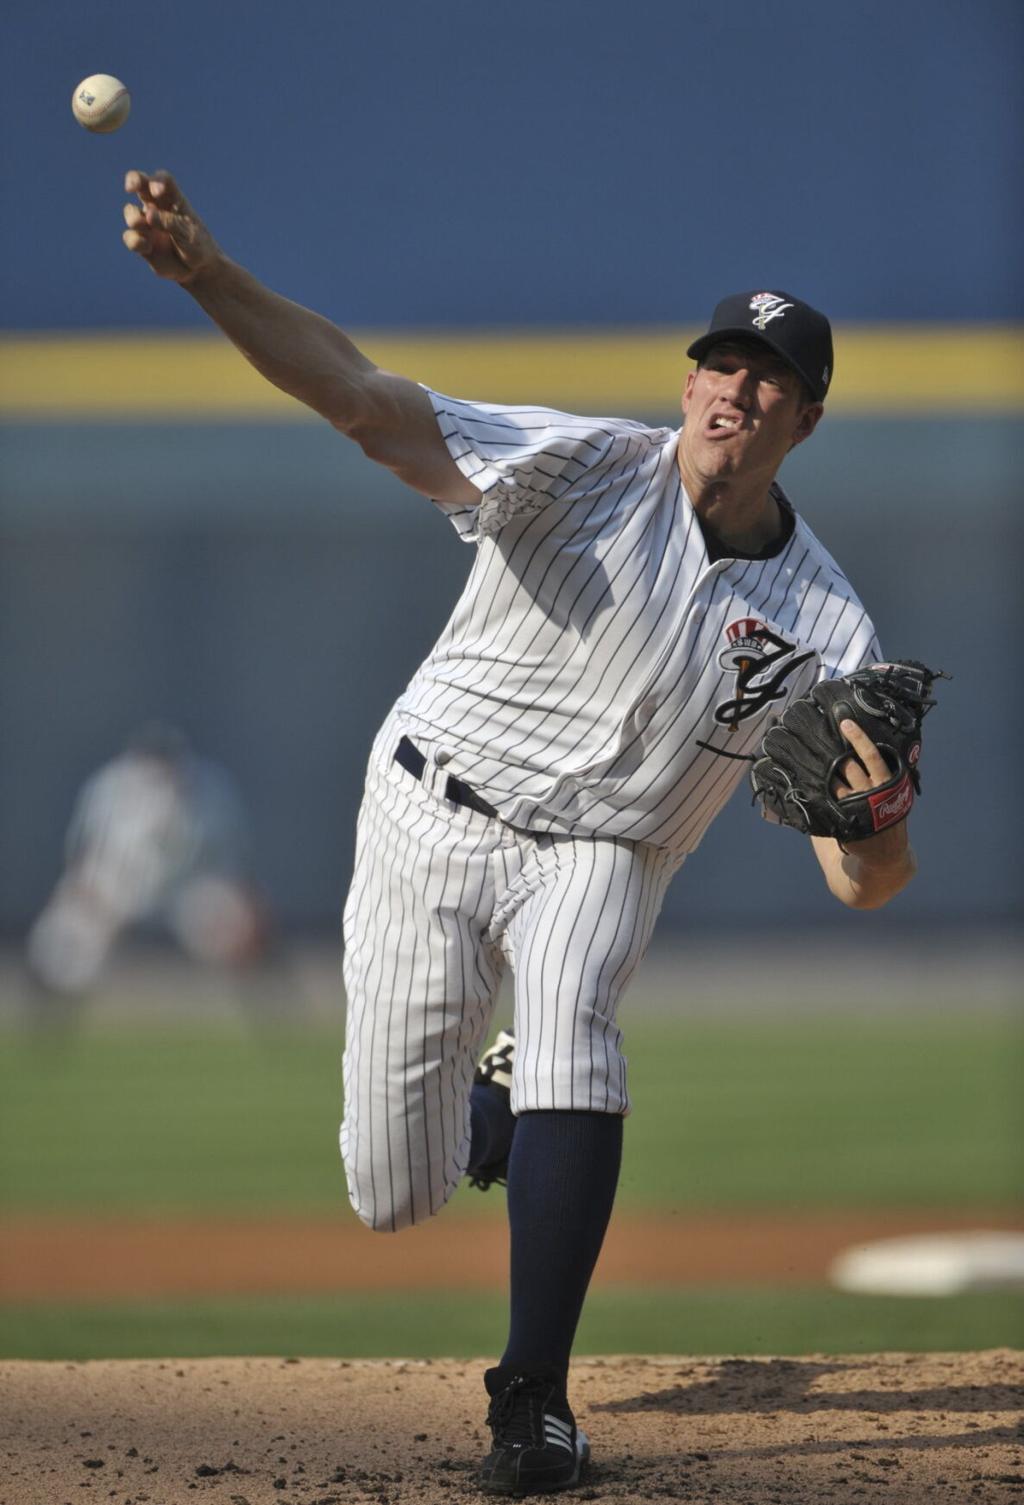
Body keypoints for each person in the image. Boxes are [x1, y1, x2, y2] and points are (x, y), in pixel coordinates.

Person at [122, 172, 918, 1494]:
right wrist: (209, 275)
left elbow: (863, 881)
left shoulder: (830, 634)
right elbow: (364, 402)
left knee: (578, 1010)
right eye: (720, 361)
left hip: (604, 853)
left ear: (807, 417)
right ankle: (496, 1105)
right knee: (395, 1188)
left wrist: (879, 822)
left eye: (769, 377)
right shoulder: (578, 469)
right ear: (688, 382)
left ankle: (532, 1398)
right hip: (431, 811)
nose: (736, 388)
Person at [27, 723, 273, 1012]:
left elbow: (231, 859)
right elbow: (84, 851)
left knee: (242, 934)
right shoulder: (109, 789)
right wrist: (82, 895)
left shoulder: (211, 792)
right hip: (118, 888)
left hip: (188, 889)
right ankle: (42, 1029)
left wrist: (245, 901)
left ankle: (276, 1022)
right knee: (63, 947)